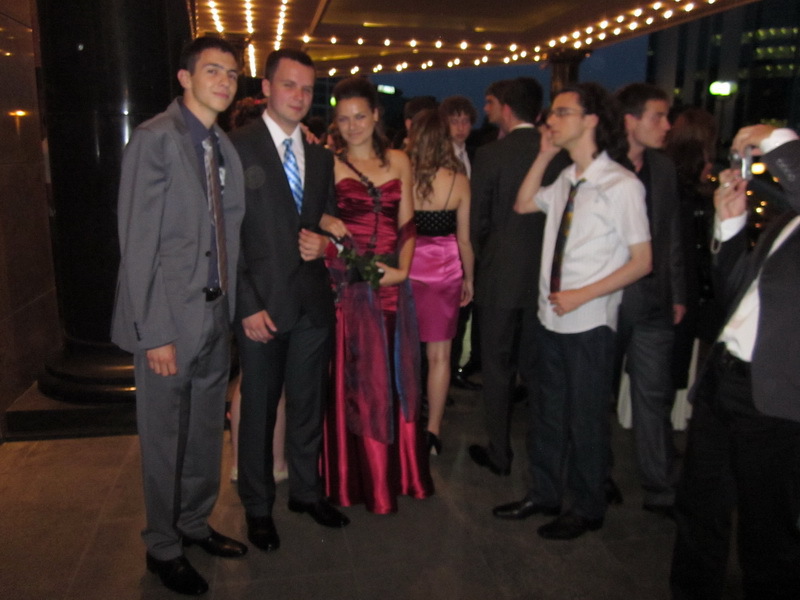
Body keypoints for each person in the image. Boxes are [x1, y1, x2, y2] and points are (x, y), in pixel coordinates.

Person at [110, 36, 247, 596]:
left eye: (232, 74)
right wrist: (156, 333)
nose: (225, 81)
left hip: (215, 314)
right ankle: (162, 546)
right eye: (213, 71)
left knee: (204, 432)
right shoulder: (156, 139)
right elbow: (138, 245)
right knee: (164, 438)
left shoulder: (221, 145)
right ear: (185, 78)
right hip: (170, 322)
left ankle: (193, 522)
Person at [498, 82, 652, 540]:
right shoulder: (567, 178)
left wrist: (583, 295)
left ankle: (587, 507)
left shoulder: (621, 185)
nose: (551, 120)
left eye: (562, 113)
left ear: (591, 121)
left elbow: (642, 262)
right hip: (551, 318)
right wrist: (544, 156)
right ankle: (544, 494)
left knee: (585, 419)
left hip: (589, 324)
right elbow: (523, 203)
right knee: (547, 412)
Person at [670, 124, 800, 600]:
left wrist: (775, 135)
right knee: (699, 508)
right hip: (724, 379)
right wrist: (731, 227)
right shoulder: (788, 220)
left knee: (767, 533)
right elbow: (735, 292)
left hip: (777, 398)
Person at [230, 48, 350, 554]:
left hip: (312, 303)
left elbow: (326, 220)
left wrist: (327, 244)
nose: (299, 96)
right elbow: (225, 234)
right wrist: (245, 304)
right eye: (289, 85)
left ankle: (306, 491)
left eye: (307, 88)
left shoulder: (320, 156)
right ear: (266, 87)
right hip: (260, 306)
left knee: (307, 404)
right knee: (258, 411)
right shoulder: (237, 146)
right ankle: (258, 507)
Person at [321, 76, 434, 514]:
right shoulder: (329, 165)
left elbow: (407, 226)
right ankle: (358, 480)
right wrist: (330, 231)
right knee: (357, 381)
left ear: (375, 115)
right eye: (344, 119)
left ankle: (400, 474)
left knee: (396, 375)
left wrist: (402, 272)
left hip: (392, 285)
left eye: (360, 116)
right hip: (350, 288)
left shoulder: (400, 161)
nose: (352, 126)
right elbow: (316, 222)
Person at [468, 77, 565, 476]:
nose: (487, 110)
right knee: (540, 368)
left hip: (500, 273)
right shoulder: (560, 155)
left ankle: (500, 451)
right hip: (547, 275)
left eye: (492, 104)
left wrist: (485, 258)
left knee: (496, 366)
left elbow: (478, 221)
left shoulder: (491, 154)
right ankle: (545, 450)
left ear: (507, 109)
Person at [613, 83, 686, 517]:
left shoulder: (664, 167)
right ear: (630, 120)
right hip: (606, 299)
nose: (667, 125)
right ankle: (595, 475)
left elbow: (671, 232)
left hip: (654, 300)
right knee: (596, 394)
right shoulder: (601, 166)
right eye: (658, 116)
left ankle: (660, 487)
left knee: (654, 396)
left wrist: (676, 292)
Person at [406, 109, 474, 455]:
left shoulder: (402, 176)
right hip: (444, 272)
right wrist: (470, 278)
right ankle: (432, 431)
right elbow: (464, 240)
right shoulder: (459, 180)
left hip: (407, 270)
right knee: (440, 357)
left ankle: (406, 422)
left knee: (405, 352)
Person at [439, 95, 481, 391]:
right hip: (443, 243)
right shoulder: (439, 157)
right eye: (455, 121)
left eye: (465, 121)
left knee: (462, 312)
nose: (461, 127)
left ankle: (453, 369)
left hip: (467, 239)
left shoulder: (476, 155)